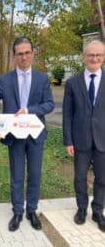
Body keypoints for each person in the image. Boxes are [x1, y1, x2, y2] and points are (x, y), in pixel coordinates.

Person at [0, 36, 54, 231]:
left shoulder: (42, 78)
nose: (24, 57)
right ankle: (18, 211)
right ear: (14, 56)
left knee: (34, 175)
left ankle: (31, 210)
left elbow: (49, 104)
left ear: (32, 54)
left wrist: (28, 110)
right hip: (15, 137)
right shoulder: (5, 79)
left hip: (35, 136)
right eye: (20, 54)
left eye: (27, 53)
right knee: (17, 175)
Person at [63, 40, 105, 232]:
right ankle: (81, 208)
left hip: (103, 139)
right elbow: (67, 113)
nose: (94, 58)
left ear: (103, 57)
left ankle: (97, 210)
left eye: (98, 55)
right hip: (80, 139)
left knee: (102, 178)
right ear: (84, 57)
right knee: (79, 177)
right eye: (91, 55)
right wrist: (68, 140)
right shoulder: (72, 83)